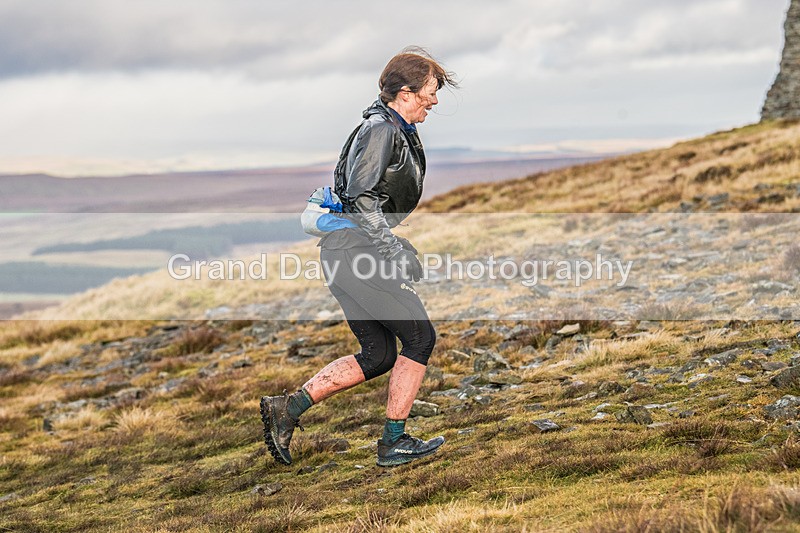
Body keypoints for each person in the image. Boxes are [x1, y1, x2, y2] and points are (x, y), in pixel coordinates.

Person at [260, 47, 458, 467]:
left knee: (380, 353)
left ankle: (287, 409)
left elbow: (366, 202)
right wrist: (391, 250)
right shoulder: (381, 130)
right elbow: (362, 199)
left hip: (347, 256)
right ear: (405, 93)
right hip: (356, 256)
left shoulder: (390, 127)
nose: (434, 101)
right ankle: (393, 442)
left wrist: (394, 245)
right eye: (430, 92)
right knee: (420, 337)